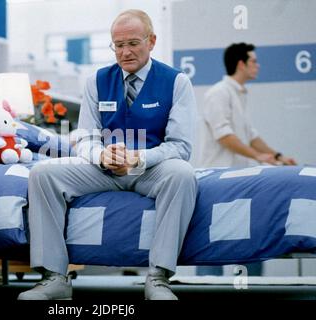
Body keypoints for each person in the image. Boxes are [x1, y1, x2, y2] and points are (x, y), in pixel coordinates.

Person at [18, 9, 197, 300]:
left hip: (149, 169)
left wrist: (137, 158)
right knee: (42, 173)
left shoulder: (176, 82)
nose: (125, 52)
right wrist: (102, 156)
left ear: (151, 41)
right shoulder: (96, 82)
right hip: (105, 169)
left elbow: (180, 146)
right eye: (118, 45)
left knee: (183, 174)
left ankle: (158, 278)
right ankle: (55, 278)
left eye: (133, 43)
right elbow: (86, 137)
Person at [197, 42, 297, 276]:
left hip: (237, 182)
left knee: (250, 239)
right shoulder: (218, 93)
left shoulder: (239, 94)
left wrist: (279, 157)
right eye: (254, 61)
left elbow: (251, 136)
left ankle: (250, 288)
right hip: (217, 183)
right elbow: (223, 136)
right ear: (241, 64)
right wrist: (258, 156)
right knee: (213, 243)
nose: (258, 65)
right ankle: (206, 290)